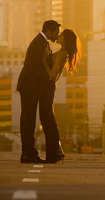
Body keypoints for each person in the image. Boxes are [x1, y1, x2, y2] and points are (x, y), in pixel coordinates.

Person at [17, 20, 60, 164]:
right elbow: (34, 66)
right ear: (50, 30)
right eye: (56, 32)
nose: (57, 35)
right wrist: (48, 75)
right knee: (28, 120)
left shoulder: (42, 41)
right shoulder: (39, 43)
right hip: (30, 86)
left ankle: (27, 153)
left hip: (31, 87)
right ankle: (28, 153)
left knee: (28, 119)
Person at [42, 28, 82, 163]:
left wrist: (43, 60)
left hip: (48, 86)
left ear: (65, 39)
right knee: (49, 119)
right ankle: (57, 149)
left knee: (48, 120)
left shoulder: (61, 53)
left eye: (61, 34)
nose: (58, 35)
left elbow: (52, 75)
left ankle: (56, 150)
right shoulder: (63, 53)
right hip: (50, 87)